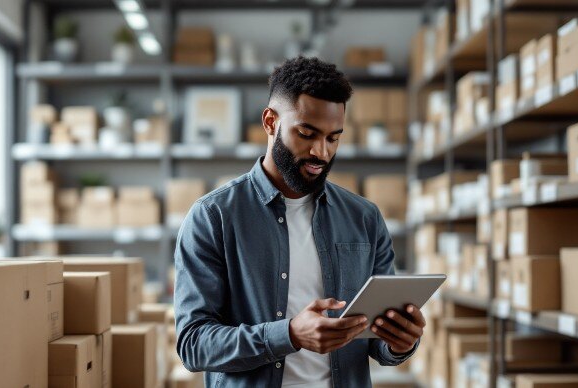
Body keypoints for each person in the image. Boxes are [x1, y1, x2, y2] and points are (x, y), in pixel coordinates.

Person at [174, 56, 425, 388]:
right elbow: (193, 344)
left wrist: (399, 343)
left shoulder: (364, 218)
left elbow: (379, 342)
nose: (321, 152)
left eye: (334, 138)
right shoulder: (213, 217)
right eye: (307, 134)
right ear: (270, 122)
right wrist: (289, 334)